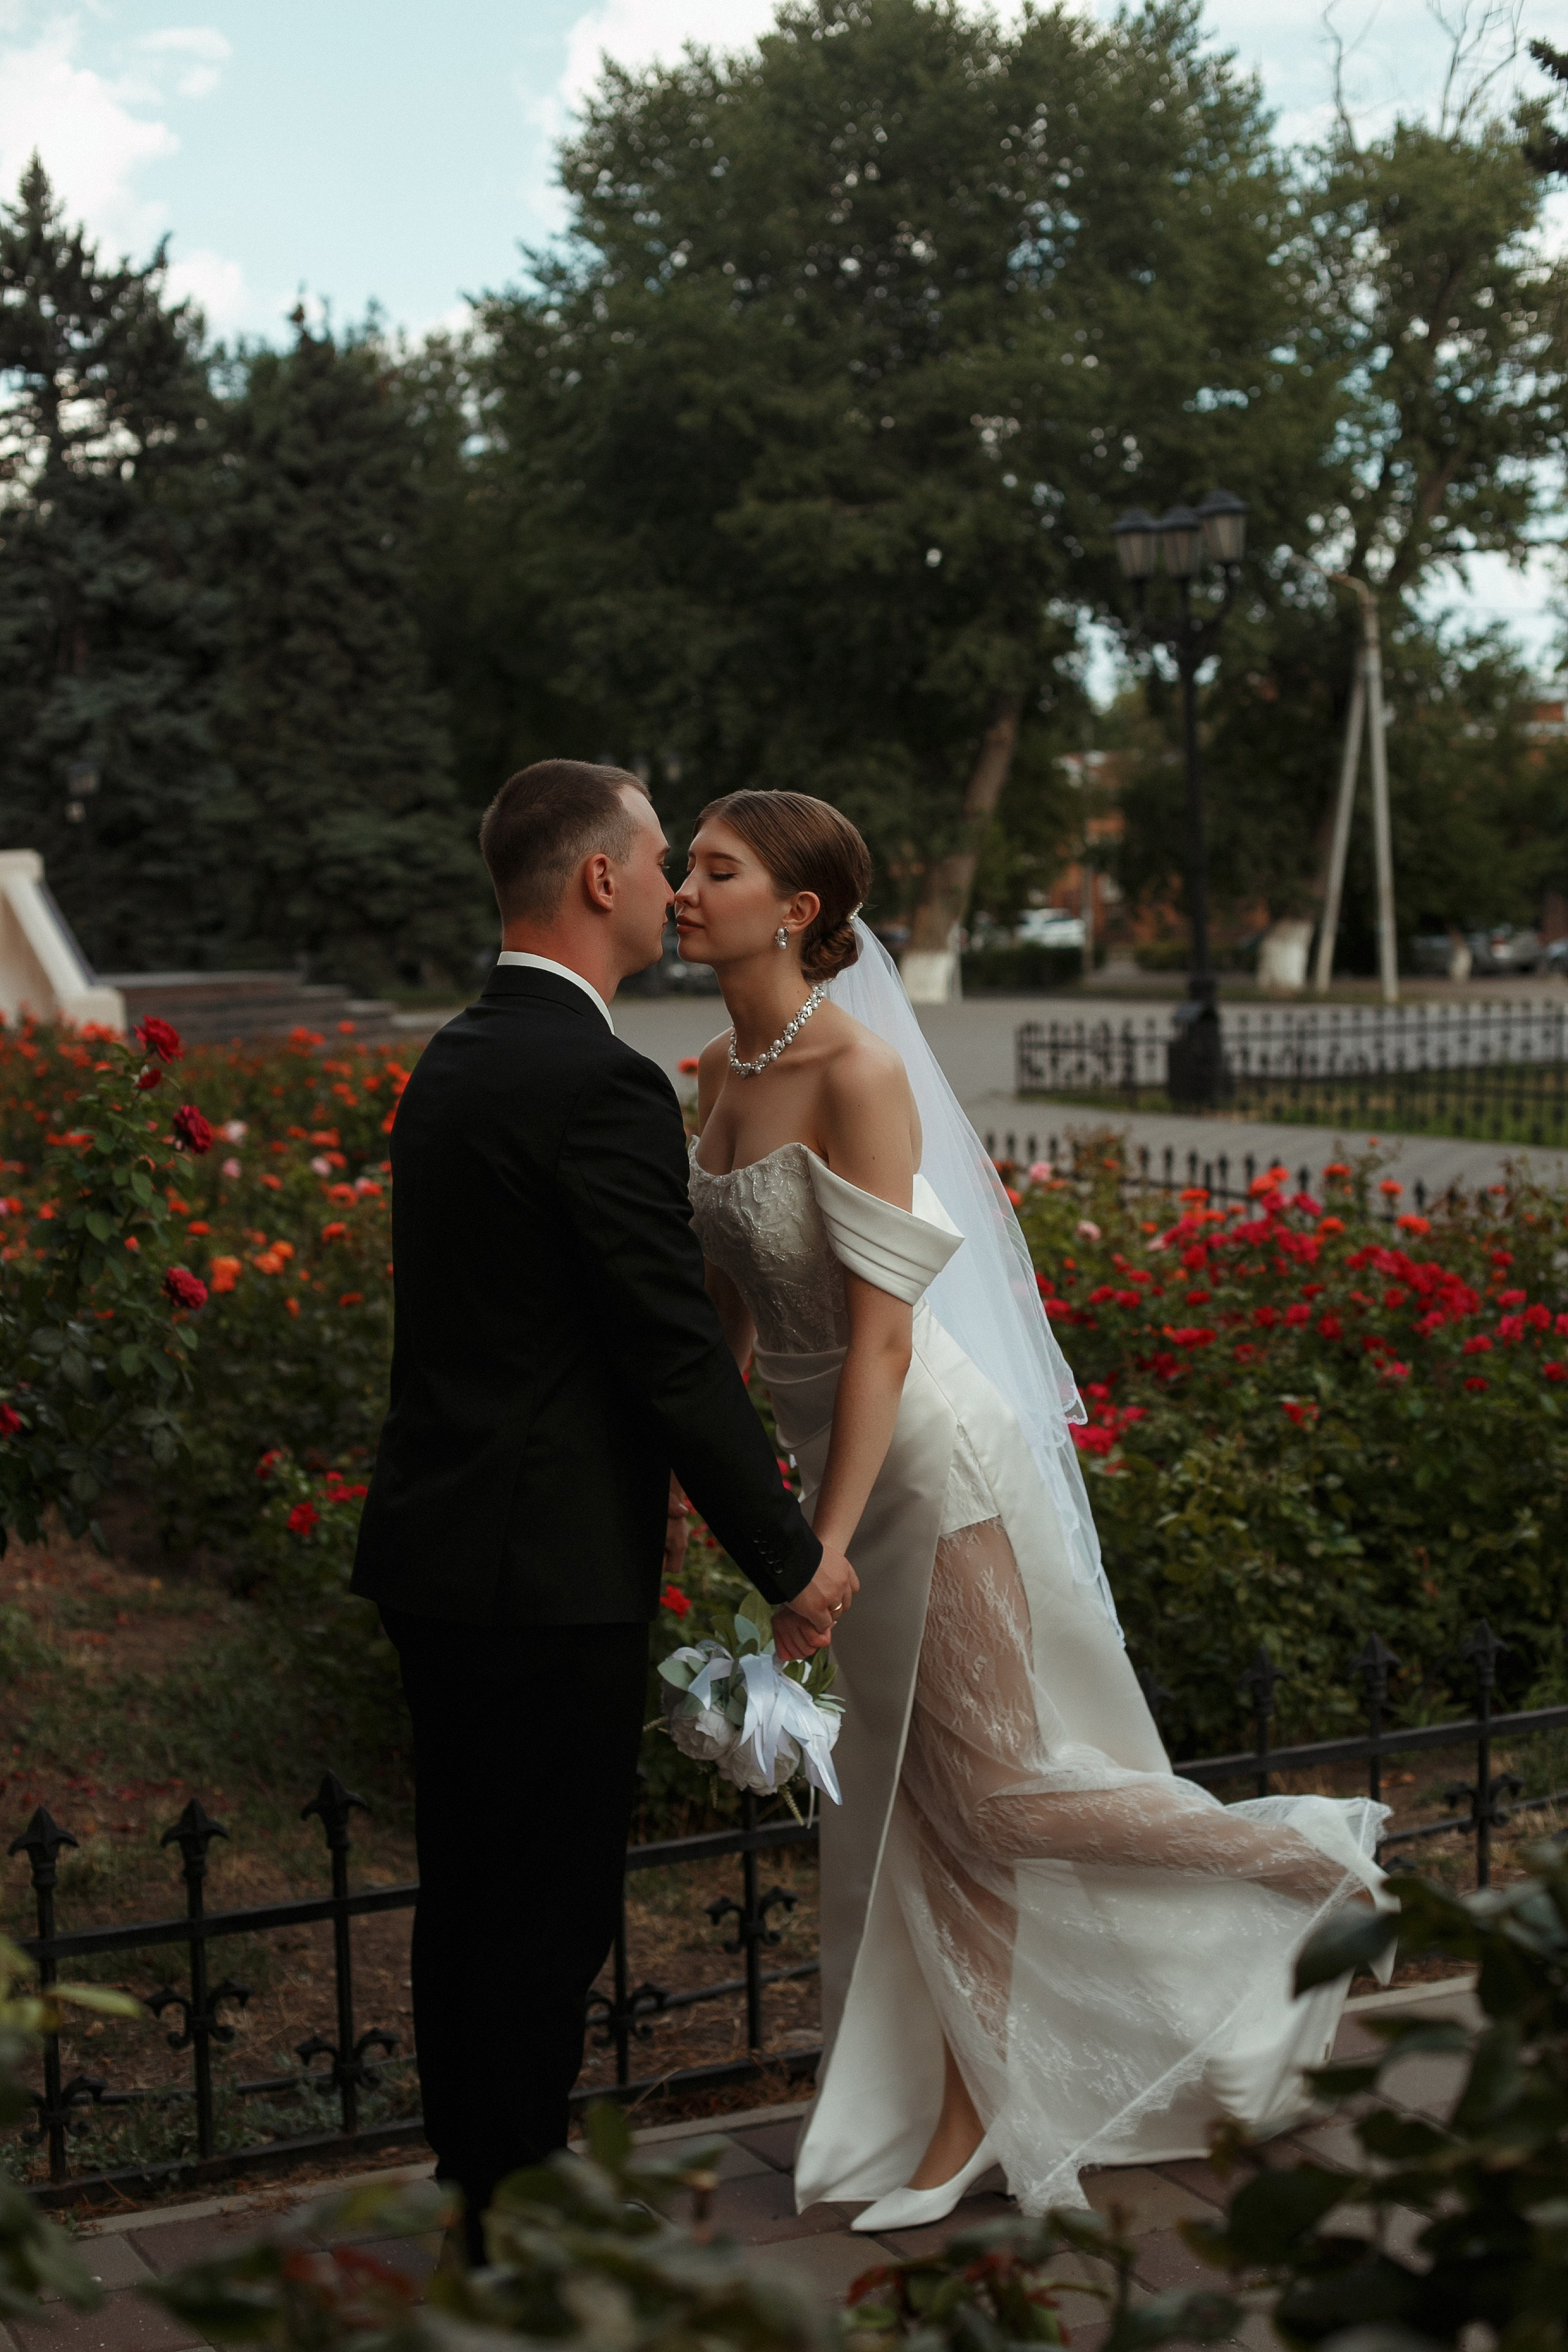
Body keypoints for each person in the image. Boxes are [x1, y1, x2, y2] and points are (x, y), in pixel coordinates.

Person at [675, 789, 1387, 2233]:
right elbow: (727, 1316)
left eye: (715, 869)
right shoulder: (718, 1071)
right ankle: (963, 2116)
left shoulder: (857, 1072)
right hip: (826, 1468)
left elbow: (880, 1335)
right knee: (931, 1805)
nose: (684, 889)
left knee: (991, 1786)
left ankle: (1313, 1853)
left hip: (926, 1458)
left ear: (797, 908)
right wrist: (733, 1491)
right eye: (684, 867)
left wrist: (823, 1534)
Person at [351, 761, 856, 2260]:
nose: (672, 890)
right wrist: (790, 1555)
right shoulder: (593, 1079)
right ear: (595, 881)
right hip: (541, 1560)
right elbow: (665, 1347)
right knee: (547, 1898)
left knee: (475, 1889)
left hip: (444, 1541)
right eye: (657, 861)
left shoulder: (455, 1055)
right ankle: (517, 2208)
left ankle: (490, 2182)